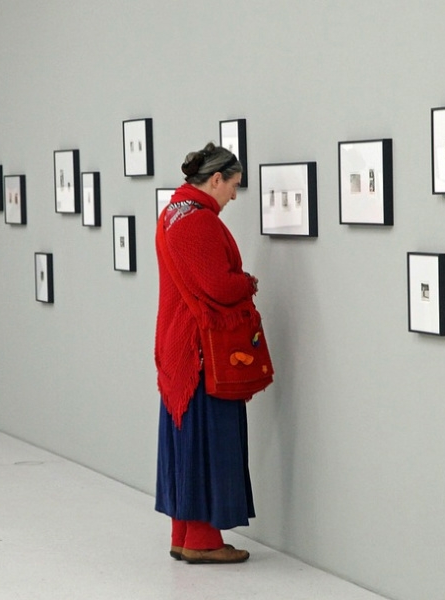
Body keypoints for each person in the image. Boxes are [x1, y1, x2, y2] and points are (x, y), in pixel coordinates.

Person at [154, 143, 258, 564]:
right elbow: (218, 286)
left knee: (185, 441)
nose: (234, 194)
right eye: (234, 185)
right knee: (206, 441)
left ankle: (183, 535)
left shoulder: (172, 213)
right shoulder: (199, 221)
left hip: (178, 345)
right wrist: (247, 282)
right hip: (200, 350)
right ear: (216, 179)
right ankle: (202, 541)